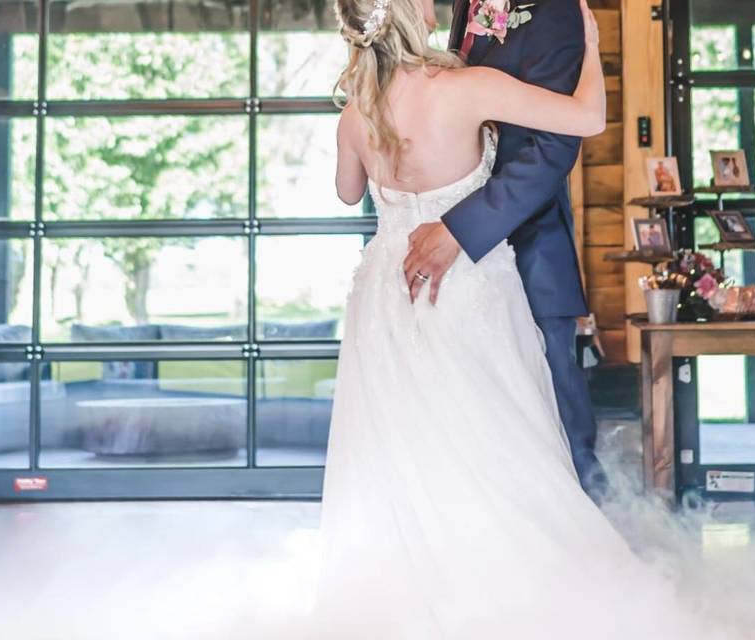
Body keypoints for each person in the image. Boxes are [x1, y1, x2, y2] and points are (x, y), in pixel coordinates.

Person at [309, 0, 728, 636]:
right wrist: (594, 48)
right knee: (509, 446)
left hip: (390, 294)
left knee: (408, 451)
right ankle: (530, 601)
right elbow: (586, 117)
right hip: (470, 289)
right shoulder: (463, 85)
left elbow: (347, 191)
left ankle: (422, 604)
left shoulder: (358, 112)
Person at [401, 0, 608, 492]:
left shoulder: (554, 10)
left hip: (529, 250)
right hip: (455, 272)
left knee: (560, 436)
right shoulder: (463, 6)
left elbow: (553, 146)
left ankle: (589, 560)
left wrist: (459, 228)